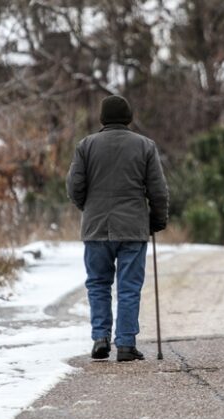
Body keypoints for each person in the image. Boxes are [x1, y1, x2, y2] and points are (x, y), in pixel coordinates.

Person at [66, 95, 169, 362]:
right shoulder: (145, 145)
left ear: (102, 118)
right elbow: (158, 191)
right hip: (133, 228)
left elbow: (74, 186)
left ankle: (100, 338)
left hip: (96, 227)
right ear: (128, 117)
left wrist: (89, 208)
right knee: (128, 286)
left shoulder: (85, 146)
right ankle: (125, 344)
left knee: (98, 283)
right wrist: (157, 220)